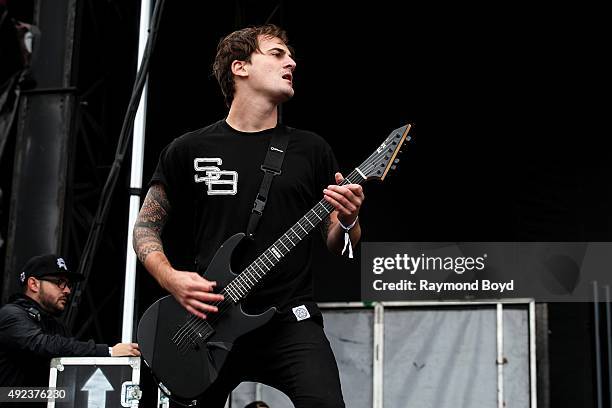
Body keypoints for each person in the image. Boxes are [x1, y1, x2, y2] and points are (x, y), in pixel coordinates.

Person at [133, 24, 363, 407]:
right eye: (276, 53)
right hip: (209, 323)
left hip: (291, 321)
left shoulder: (311, 150)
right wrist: (171, 278)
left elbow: (336, 245)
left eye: (290, 56)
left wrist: (349, 219)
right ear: (239, 67)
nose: (291, 61)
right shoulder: (188, 149)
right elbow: (145, 226)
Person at [0, 254, 140, 387]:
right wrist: (109, 351)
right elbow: (42, 344)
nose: (67, 290)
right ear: (33, 284)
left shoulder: (56, 326)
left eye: (68, 285)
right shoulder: (11, 314)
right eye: (60, 282)